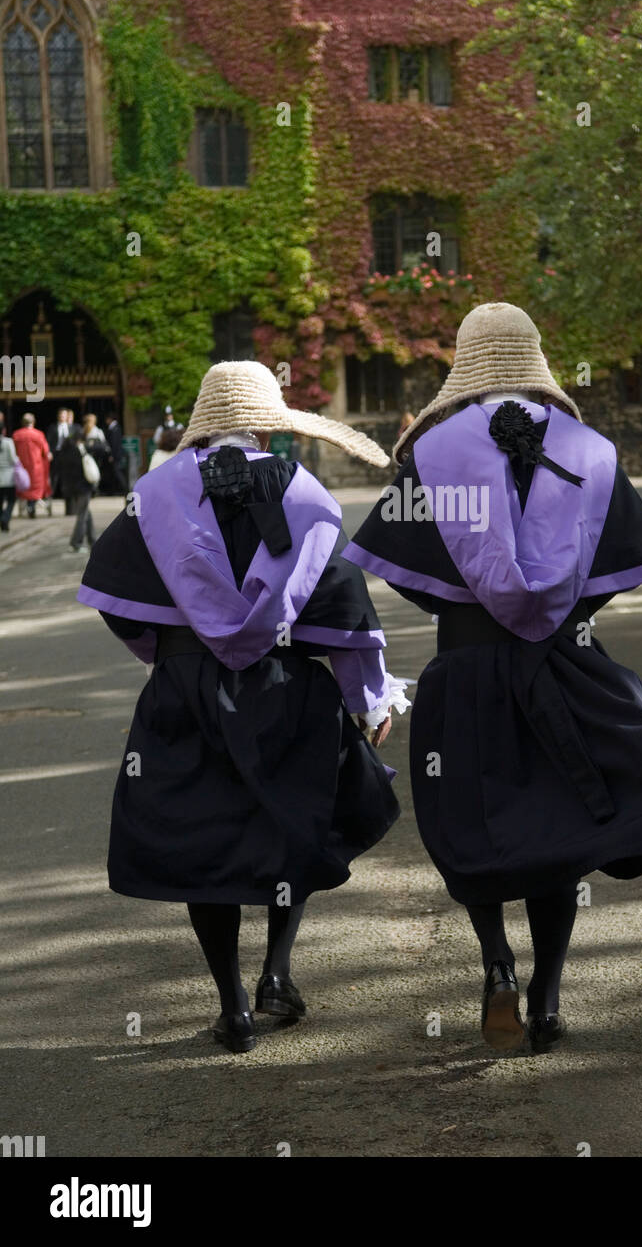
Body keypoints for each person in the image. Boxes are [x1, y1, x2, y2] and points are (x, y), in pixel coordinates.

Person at [344, 303, 642, 1055]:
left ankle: (497, 965)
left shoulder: (434, 452)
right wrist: (557, 609)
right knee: (555, 832)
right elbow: (615, 569)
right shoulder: (589, 447)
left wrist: (470, 610)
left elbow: (409, 575)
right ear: (537, 360)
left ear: (465, 365)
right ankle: (550, 996)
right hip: (563, 667)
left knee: (475, 824)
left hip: (466, 673)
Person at [77, 361, 410, 1054]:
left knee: (206, 843)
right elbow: (344, 610)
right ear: (266, 426)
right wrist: (366, 700)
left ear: (202, 424)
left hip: (184, 696)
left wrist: (167, 656)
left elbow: (113, 598)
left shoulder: (154, 492)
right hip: (285, 690)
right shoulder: (309, 492)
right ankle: (277, 976)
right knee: (297, 825)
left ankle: (233, 1009)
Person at [56, 433, 98, 552]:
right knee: (82, 516)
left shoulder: (63, 453)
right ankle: (76, 542)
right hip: (83, 488)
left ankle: (93, 540)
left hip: (71, 488)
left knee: (86, 513)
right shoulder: (78, 452)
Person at [12, 413, 50, 518]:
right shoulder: (39, 434)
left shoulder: (16, 435)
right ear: (33, 422)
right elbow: (46, 451)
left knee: (24, 488)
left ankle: (28, 506)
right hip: (36, 468)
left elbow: (13, 452)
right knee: (35, 489)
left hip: (22, 469)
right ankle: (32, 505)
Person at [0, 418, 17, 532]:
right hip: (9, 476)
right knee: (11, 500)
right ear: (4, 431)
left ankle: (3, 518)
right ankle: (5, 518)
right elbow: (13, 459)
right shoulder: (8, 442)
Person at [104, 411, 127, 495]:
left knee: (117, 472)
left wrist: (111, 455)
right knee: (114, 473)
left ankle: (125, 489)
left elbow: (114, 444)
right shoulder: (115, 427)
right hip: (117, 454)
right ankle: (114, 490)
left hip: (116, 455)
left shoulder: (114, 428)